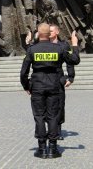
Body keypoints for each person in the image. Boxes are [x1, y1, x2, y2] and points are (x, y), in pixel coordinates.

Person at [20, 23, 80, 159]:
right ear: (49, 34)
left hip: (37, 87)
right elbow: (75, 60)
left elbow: (23, 72)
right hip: (54, 86)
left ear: (39, 34)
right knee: (53, 116)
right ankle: (53, 148)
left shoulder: (32, 49)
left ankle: (42, 149)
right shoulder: (59, 48)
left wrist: (26, 86)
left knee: (39, 117)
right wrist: (75, 44)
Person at [49, 24, 75, 140]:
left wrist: (70, 77)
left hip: (58, 79)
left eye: (51, 31)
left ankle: (58, 130)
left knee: (59, 105)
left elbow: (70, 62)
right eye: (48, 31)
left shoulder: (63, 45)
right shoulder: (43, 45)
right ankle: (49, 129)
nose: (49, 33)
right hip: (46, 79)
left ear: (57, 32)